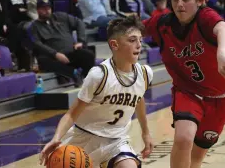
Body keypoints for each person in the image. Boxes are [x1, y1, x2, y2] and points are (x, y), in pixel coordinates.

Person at [143, 0, 225, 168]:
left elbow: (224, 29)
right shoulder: (162, 23)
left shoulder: (205, 17)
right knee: (184, 138)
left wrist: (221, 52)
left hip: (221, 97)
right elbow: (134, 30)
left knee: (197, 156)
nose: (180, 4)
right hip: (187, 91)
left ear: (201, 0)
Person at [39, 15, 154, 168]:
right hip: (83, 139)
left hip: (116, 141)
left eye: (140, 40)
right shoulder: (99, 75)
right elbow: (72, 114)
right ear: (115, 44)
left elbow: (138, 99)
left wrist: (145, 132)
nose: (139, 45)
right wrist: (56, 138)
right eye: (132, 40)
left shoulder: (145, 73)